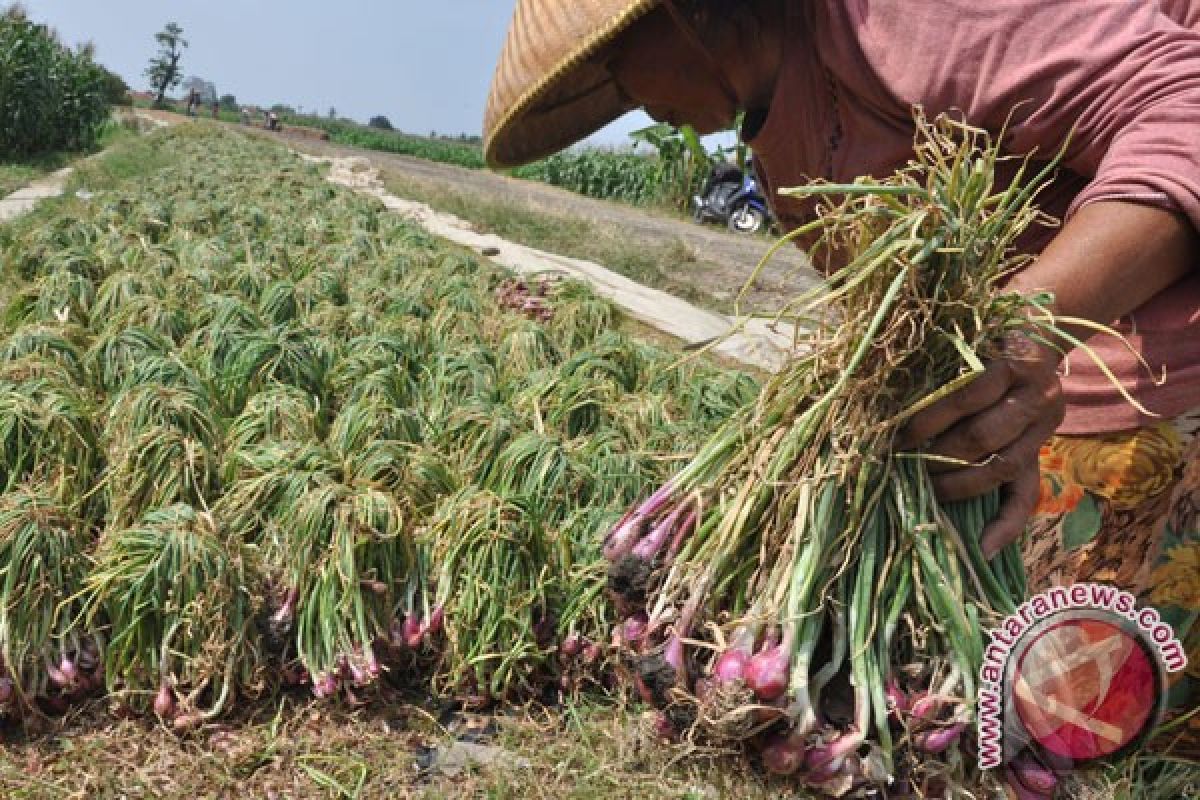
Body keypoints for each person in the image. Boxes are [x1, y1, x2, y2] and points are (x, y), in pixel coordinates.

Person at [484, 0, 1200, 708]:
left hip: (1153, 393)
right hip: (1004, 434)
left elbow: (1185, 107)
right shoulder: (775, 138)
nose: (634, 102)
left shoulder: (900, 17)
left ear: (691, 14)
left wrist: (1028, 333)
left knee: (1098, 713)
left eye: (616, 62)